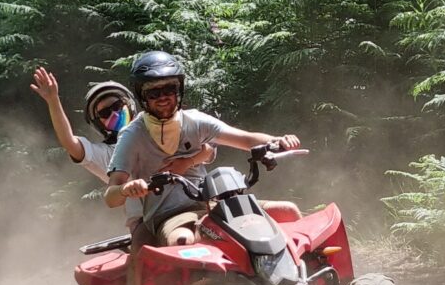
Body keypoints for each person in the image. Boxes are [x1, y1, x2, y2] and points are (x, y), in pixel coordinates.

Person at [105, 50, 302, 247]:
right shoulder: (132, 135)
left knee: (288, 211)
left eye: (169, 89)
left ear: (179, 90)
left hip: (214, 204)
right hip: (170, 215)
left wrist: (277, 141)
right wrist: (125, 189)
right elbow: (110, 197)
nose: (163, 97)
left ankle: (305, 274)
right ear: (142, 96)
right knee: (183, 239)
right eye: (154, 92)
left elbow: (246, 139)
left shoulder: (196, 121)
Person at [31, 66, 213, 232]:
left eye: (117, 106)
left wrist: (190, 161)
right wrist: (53, 100)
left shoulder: (163, 127)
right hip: (148, 222)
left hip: (197, 204)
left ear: (130, 104)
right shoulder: (107, 153)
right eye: (104, 113)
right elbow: (70, 143)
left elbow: (209, 148)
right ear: (98, 123)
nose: (114, 114)